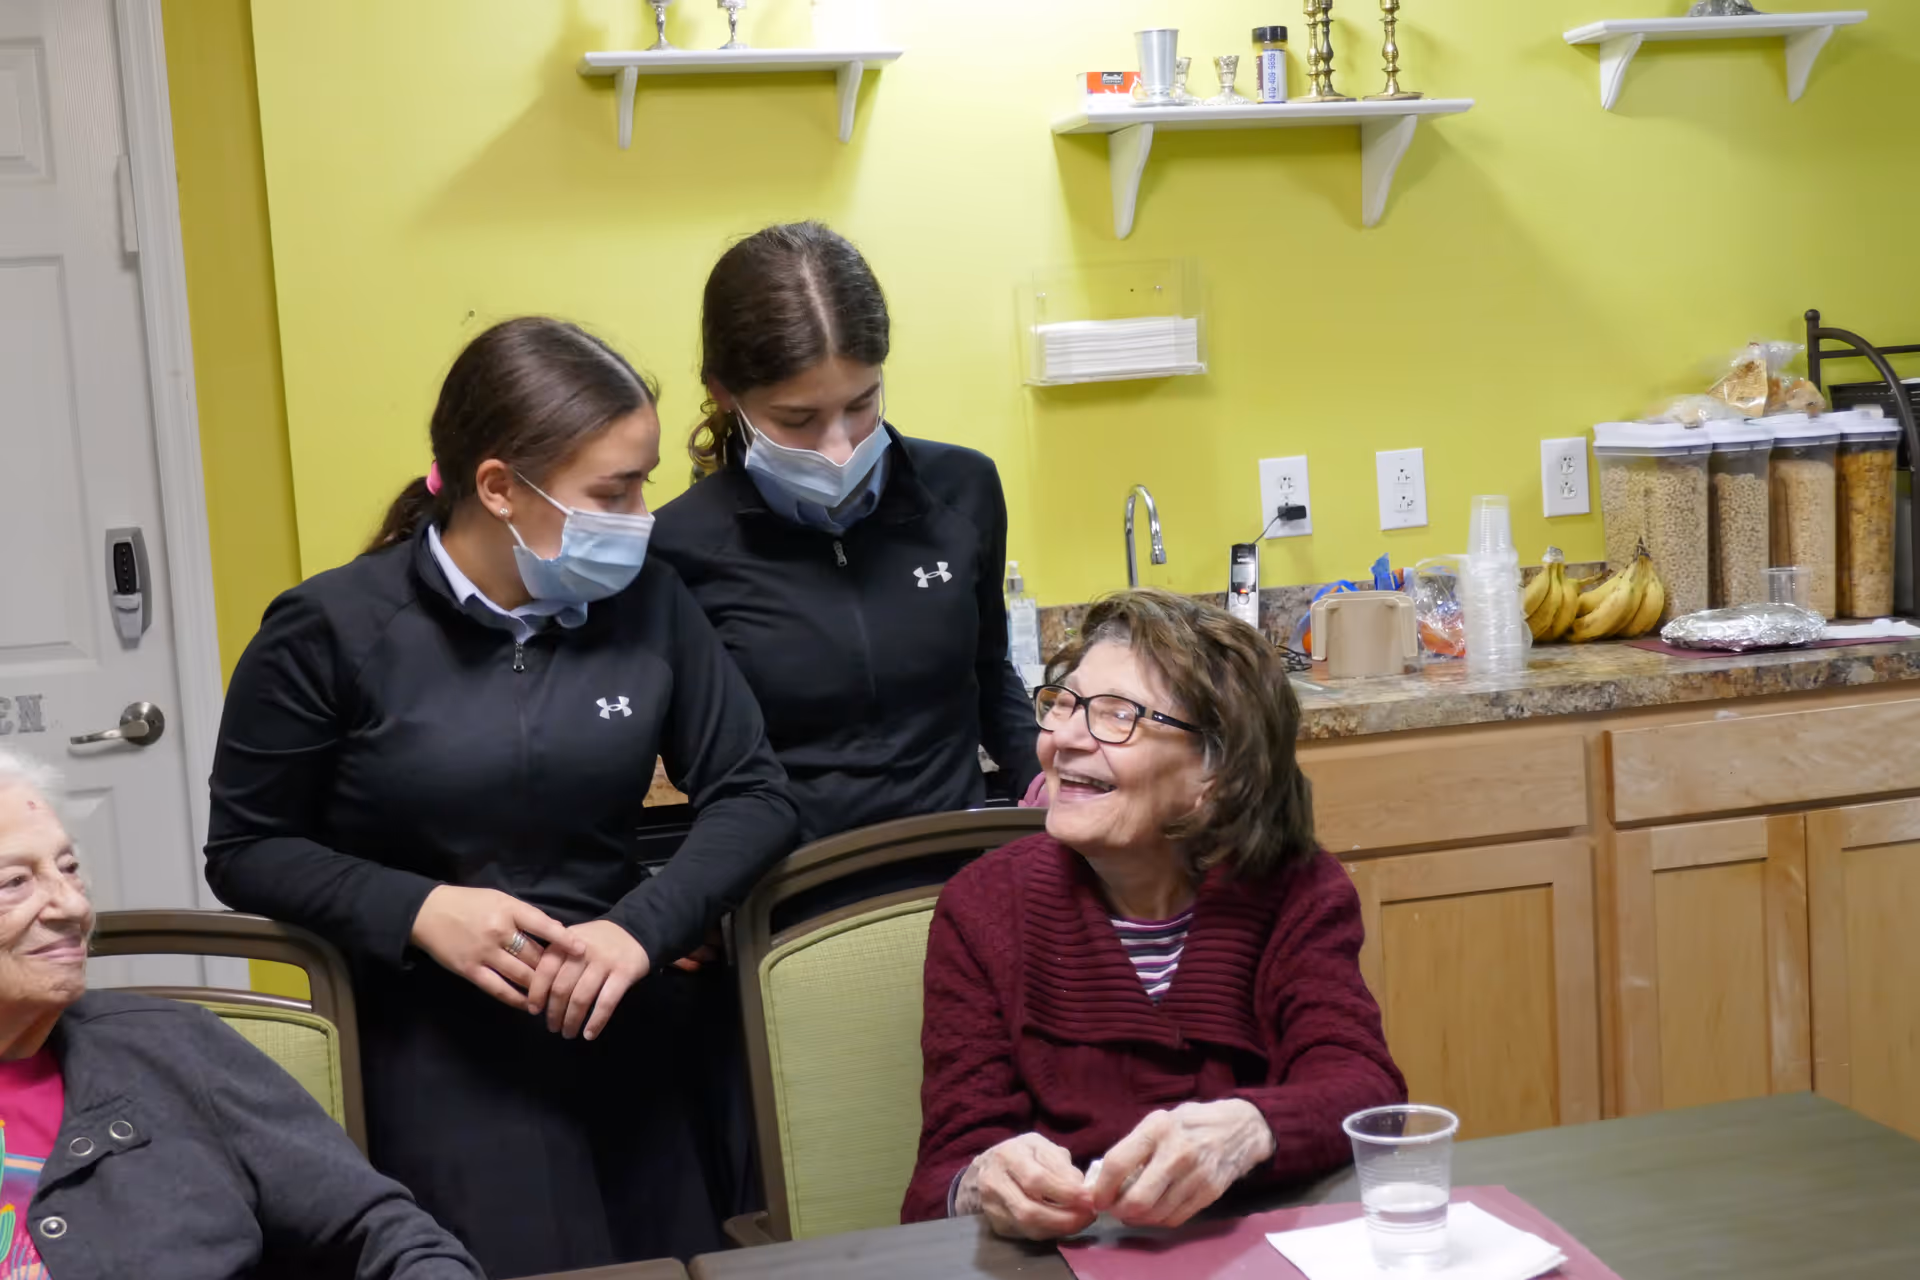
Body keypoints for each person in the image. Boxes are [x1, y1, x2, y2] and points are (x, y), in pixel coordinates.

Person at [205, 317, 798, 1275]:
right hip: (436, 1045)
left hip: (621, 1019)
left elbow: (756, 795)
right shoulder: (329, 631)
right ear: (497, 488)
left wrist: (638, 929)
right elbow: (245, 849)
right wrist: (424, 909)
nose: (642, 514)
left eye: (644, 481)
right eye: (613, 491)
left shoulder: (647, 601)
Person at [902, 588, 1405, 1237]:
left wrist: (1254, 1126)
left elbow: (1365, 1090)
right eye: (1064, 704)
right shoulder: (984, 907)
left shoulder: (1295, 890)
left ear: (1214, 774)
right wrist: (982, 1180)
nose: (1065, 739)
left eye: (1117, 716)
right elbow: (938, 1181)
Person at [0, 748, 483, 1280]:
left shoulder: (176, 1048)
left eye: (69, 869)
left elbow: (391, 1236)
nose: (73, 907)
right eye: (14, 883)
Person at [650, 221, 1040, 843]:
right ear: (724, 393)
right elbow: (707, 770)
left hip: (962, 873)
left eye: (861, 403)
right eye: (798, 418)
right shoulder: (674, 549)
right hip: (795, 898)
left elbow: (990, 673)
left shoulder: (962, 489)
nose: (837, 448)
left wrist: (1049, 784)